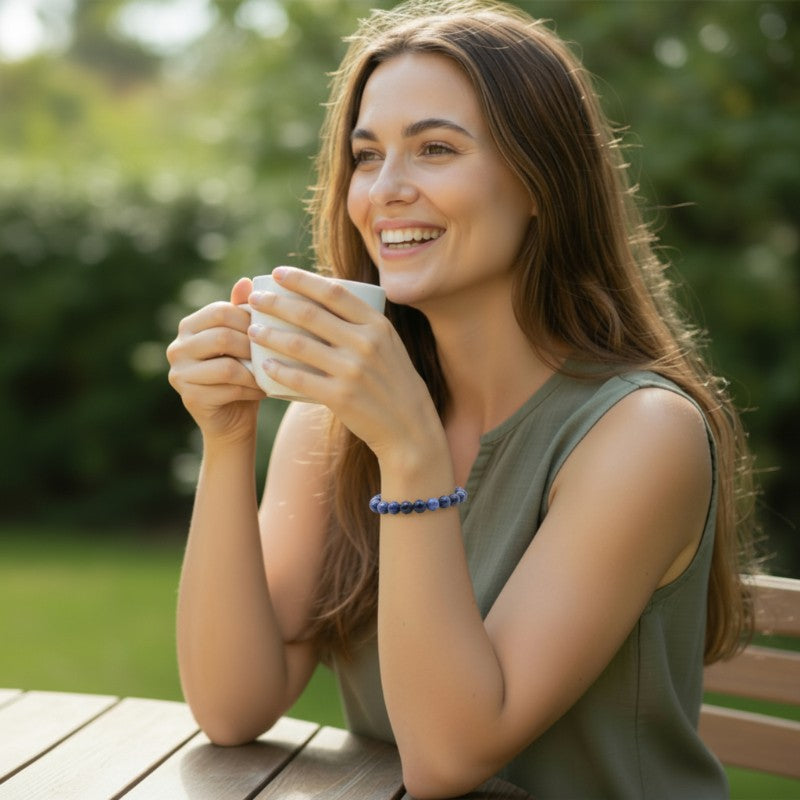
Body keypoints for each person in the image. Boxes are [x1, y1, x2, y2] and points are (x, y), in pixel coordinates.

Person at [166, 1, 758, 797]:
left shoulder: (641, 433)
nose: (385, 190)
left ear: (543, 181)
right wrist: (230, 437)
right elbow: (232, 705)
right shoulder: (338, 417)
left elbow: (449, 758)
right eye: (366, 156)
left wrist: (410, 452)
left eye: (435, 149)